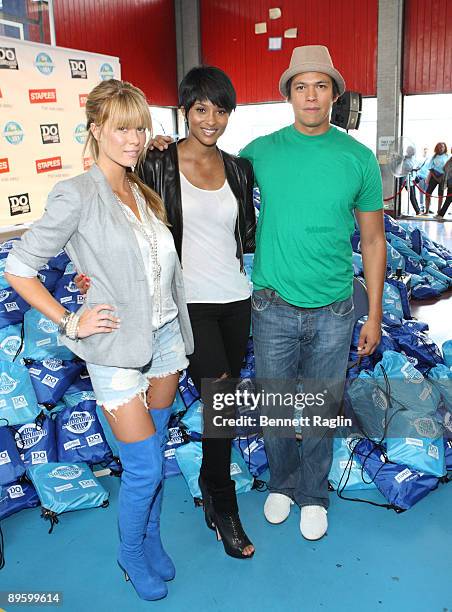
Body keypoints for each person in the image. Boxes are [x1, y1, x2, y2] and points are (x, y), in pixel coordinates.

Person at [4, 79, 194, 601]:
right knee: (145, 464)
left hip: (167, 342)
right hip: (114, 351)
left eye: (139, 127)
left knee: (153, 452)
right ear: (96, 131)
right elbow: (20, 268)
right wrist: (69, 321)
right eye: (121, 128)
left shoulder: (141, 189)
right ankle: (129, 552)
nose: (133, 139)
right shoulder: (77, 192)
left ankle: (151, 537)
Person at [107, 66, 257, 559]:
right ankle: (223, 502)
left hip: (236, 301)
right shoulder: (157, 163)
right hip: (186, 305)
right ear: (186, 111)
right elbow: (124, 208)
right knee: (218, 398)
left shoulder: (239, 168)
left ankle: (212, 488)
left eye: (220, 110)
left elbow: (245, 236)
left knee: (225, 404)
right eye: (201, 109)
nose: (211, 119)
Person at [239, 45, 386, 541]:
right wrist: (159, 149)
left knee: (323, 408)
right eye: (300, 86)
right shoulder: (259, 152)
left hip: (334, 308)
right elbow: (204, 176)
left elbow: (372, 239)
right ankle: (282, 483)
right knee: (276, 404)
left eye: (320, 85)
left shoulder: (358, 159)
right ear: (288, 94)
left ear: (335, 94)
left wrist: (375, 315)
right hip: (273, 304)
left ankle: (314, 493)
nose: (310, 95)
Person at [425, 142, 449, 214]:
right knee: (428, 193)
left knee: (440, 195)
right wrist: (435, 177)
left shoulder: (447, 156)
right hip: (434, 176)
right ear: (437, 148)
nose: (441, 148)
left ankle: (439, 210)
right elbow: (430, 167)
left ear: (445, 148)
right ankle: (427, 211)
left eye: (442, 147)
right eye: (439, 147)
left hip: (443, 177)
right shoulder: (434, 156)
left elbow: (448, 168)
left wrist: (442, 176)